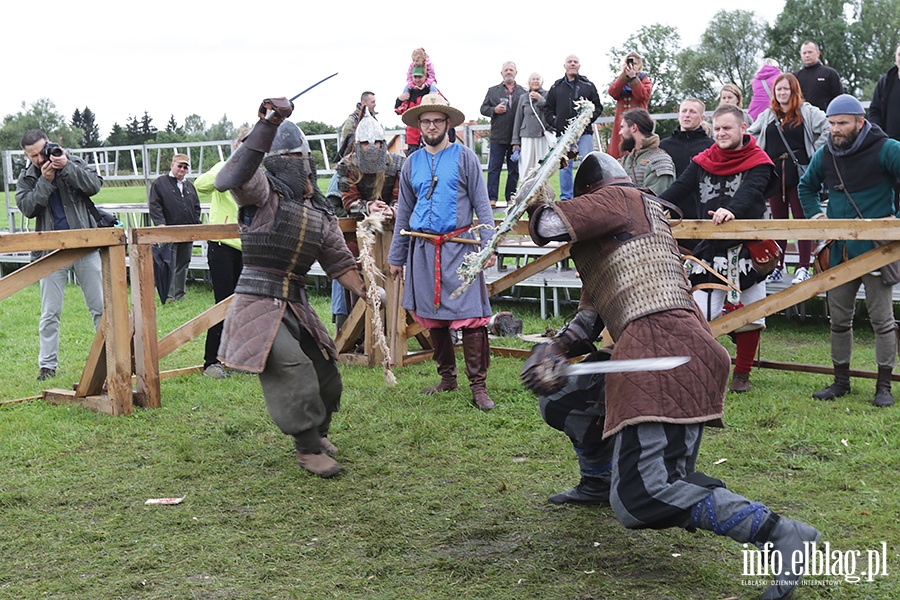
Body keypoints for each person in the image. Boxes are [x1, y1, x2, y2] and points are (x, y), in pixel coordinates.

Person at [521, 151, 820, 600]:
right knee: (565, 397)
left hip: (671, 356)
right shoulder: (618, 242)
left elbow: (547, 226)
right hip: (646, 349)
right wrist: (552, 352)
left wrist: (533, 198)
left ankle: (779, 533)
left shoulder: (621, 199)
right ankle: (599, 480)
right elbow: (589, 322)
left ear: (590, 194)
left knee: (646, 495)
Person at [214, 98, 369, 478]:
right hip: (257, 300)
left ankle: (319, 432)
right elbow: (228, 179)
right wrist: (267, 125)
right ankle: (307, 449)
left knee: (327, 370)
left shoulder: (319, 210)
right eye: (285, 158)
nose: (293, 165)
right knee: (294, 369)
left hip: (295, 301)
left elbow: (339, 263)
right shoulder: (261, 192)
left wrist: (370, 292)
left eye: (297, 157)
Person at [387, 94, 497, 411]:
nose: (431, 126)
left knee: (472, 317)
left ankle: (479, 387)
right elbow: (404, 214)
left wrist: (489, 246)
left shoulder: (465, 158)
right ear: (419, 126)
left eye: (437, 120)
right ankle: (447, 379)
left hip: (459, 249)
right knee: (433, 319)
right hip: (422, 249)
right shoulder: (411, 163)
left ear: (447, 123)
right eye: (426, 121)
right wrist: (397, 257)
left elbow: (482, 205)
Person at [660, 104, 777, 393]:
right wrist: (651, 205)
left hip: (748, 247)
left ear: (742, 129)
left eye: (727, 127)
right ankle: (699, 368)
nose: (721, 133)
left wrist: (731, 211)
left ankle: (742, 374)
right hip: (710, 247)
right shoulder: (702, 160)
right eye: (718, 128)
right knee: (699, 313)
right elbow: (678, 189)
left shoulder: (759, 161)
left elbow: (752, 192)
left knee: (751, 314)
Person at [798, 94, 900, 408]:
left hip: (875, 250)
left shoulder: (887, 149)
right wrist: (818, 217)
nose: (836, 129)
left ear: (860, 121)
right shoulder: (826, 153)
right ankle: (840, 381)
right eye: (831, 124)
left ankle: (884, 386)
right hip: (839, 250)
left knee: (882, 321)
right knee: (839, 320)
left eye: (842, 123)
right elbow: (806, 187)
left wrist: (896, 219)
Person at [15, 130, 105, 382]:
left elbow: (94, 186)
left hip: (85, 245)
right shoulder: (28, 177)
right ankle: (47, 366)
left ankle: (110, 356)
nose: (40, 158)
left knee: (99, 307)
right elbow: (28, 208)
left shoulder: (70, 160)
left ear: (50, 145)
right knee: (50, 312)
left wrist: (65, 167)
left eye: (42, 151)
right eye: (33, 155)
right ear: (26, 155)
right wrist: (44, 180)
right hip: (50, 251)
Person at [748, 73, 828, 285]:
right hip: (775, 175)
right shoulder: (768, 115)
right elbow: (750, 135)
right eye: (779, 89)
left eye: (786, 89)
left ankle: (803, 267)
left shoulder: (807, 112)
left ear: (794, 91)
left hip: (800, 174)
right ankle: (778, 266)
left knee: (801, 221)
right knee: (779, 223)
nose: (782, 93)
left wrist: (814, 155)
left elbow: (827, 129)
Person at [332, 109, 406, 332]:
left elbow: (401, 197)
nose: (371, 147)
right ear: (357, 144)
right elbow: (348, 202)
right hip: (358, 230)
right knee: (354, 272)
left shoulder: (399, 164)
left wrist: (393, 210)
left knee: (397, 270)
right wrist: (368, 207)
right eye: (365, 143)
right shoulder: (347, 166)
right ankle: (356, 330)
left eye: (375, 143)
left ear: (384, 143)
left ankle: (395, 326)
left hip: (390, 227)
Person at [194, 130, 247, 379]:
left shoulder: (255, 174)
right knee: (223, 303)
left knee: (244, 305)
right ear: (236, 146)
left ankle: (238, 358)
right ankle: (211, 361)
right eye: (244, 146)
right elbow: (201, 185)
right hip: (221, 246)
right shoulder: (222, 167)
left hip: (246, 247)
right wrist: (230, 164)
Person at [543, 54, 604, 200]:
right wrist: (556, 122)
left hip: (584, 133)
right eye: (569, 62)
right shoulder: (556, 87)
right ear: (564, 66)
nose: (572, 64)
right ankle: (566, 198)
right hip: (563, 135)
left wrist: (588, 119)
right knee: (564, 166)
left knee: (587, 164)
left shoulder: (588, 85)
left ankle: (587, 196)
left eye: (575, 62)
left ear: (579, 66)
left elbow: (598, 107)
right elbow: (548, 109)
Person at [147, 153, 201, 302]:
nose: (182, 169)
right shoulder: (160, 183)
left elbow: (196, 206)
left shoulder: (189, 186)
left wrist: (196, 224)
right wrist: (161, 225)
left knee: (183, 262)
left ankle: (180, 293)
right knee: (169, 262)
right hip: (169, 230)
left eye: (185, 167)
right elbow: (154, 206)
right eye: (179, 166)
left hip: (187, 231)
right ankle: (169, 295)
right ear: (172, 166)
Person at [480, 61, 526, 206]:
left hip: (516, 138)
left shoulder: (523, 92)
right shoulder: (493, 91)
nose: (508, 72)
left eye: (511, 70)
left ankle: (510, 197)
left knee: (514, 169)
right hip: (498, 136)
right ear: (501, 73)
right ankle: (491, 198)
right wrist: (494, 110)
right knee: (494, 168)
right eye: (506, 70)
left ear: (516, 73)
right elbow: (483, 109)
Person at [617, 108, 675, 196]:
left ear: (633, 128)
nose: (620, 132)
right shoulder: (624, 161)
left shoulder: (659, 161)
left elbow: (657, 201)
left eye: (622, 127)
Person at [606, 52, 653, 160]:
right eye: (629, 63)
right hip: (620, 124)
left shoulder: (644, 80)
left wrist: (633, 79)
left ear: (639, 66)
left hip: (638, 123)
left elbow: (642, 95)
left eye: (635, 63)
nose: (632, 66)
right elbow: (612, 92)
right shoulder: (621, 81)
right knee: (617, 152)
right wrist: (624, 77)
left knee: (638, 150)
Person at [511, 72, 552, 181]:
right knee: (526, 164)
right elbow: (518, 118)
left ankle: (542, 191)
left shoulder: (547, 95)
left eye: (538, 79)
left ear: (541, 82)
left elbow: (550, 111)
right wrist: (515, 141)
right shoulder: (523, 97)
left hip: (542, 134)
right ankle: (525, 190)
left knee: (542, 164)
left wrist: (540, 99)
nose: (535, 81)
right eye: (533, 79)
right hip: (526, 134)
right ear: (529, 82)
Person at [659, 98, 713, 178]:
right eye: (684, 111)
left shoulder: (711, 147)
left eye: (692, 112)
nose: (687, 115)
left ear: (702, 118)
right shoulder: (664, 145)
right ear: (678, 116)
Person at [396, 66, 444, 156]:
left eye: (420, 77)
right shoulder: (408, 94)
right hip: (413, 137)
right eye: (415, 77)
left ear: (425, 76)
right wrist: (399, 99)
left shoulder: (432, 92)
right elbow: (399, 110)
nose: (417, 80)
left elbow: (445, 106)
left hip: (431, 135)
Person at [794, 41, 844, 113]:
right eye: (804, 53)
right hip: (801, 118)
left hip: (825, 117)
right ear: (800, 55)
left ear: (818, 53)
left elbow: (839, 99)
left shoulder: (830, 74)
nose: (807, 55)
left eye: (810, 52)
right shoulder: (795, 77)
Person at [868, 44, 900, 141]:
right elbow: (874, 111)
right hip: (890, 143)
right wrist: (879, 135)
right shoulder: (885, 82)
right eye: (899, 55)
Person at [335, 91, 377, 161]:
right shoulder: (352, 121)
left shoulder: (373, 120)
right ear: (364, 103)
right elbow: (345, 147)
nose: (375, 104)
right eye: (372, 102)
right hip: (355, 161)